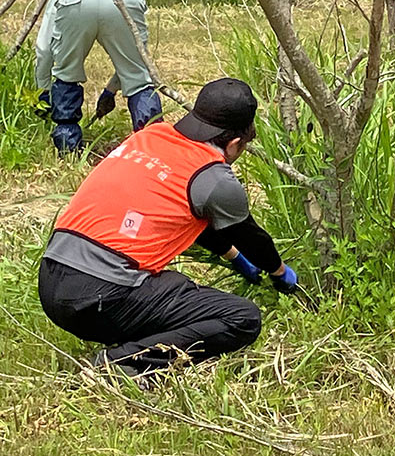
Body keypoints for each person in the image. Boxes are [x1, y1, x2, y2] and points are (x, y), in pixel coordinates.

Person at [38, 78, 298, 378]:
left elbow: (189, 216)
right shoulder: (214, 176)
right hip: (101, 296)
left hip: (52, 280)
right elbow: (252, 238)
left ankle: (126, 344)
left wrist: (234, 258)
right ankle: (121, 363)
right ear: (235, 143)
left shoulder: (148, 137)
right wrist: (280, 274)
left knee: (172, 286)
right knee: (242, 318)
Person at [35, 0, 163, 154]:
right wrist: (111, 91)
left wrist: (42, 92)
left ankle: (68, 148)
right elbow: (137, 58)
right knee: (138, 77)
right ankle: (152, 151)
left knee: (66, 73)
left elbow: (44, 47)